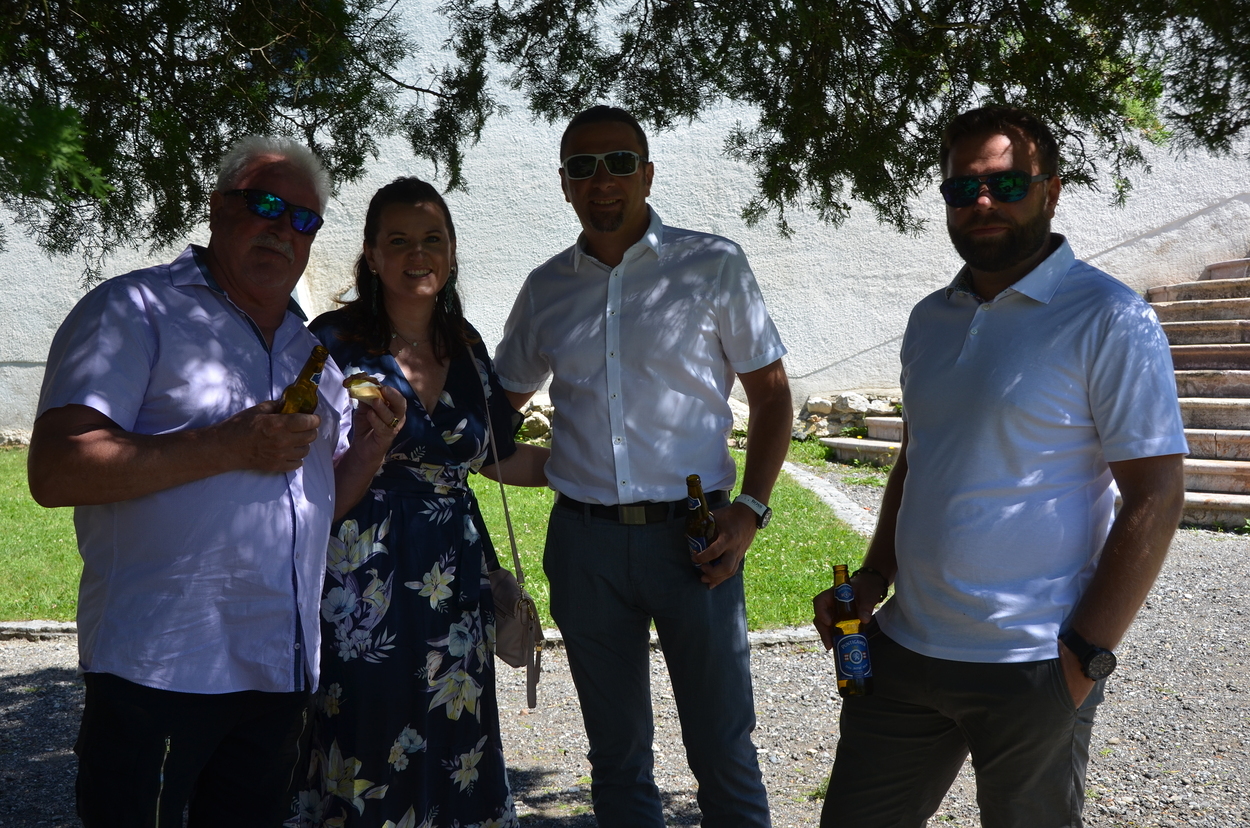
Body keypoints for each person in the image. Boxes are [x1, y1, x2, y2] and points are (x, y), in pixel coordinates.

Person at [812, 105, 1188, 827]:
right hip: (904, 649)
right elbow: (918, 459)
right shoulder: (930, 318)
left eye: (1007, 184)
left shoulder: (1109, 317)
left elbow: (1157, 494)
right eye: (962, 188)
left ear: (1051, 191)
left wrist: (1083, 658)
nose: (982, 201)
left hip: (1032, 664)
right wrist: (874, 577)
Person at [27, 135, 407, 827]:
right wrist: (225, 445)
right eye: (264, 205)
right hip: (159, 668)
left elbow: (315, 506)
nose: (283, 228)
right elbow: (56, 470)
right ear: (217, 207)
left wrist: (368, 452)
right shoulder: (134, 309)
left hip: (277, 671)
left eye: (303, 219)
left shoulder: (311, 355)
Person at [494, 105, 793, 827]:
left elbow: (773, 397)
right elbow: (492, 414)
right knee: (617, 757)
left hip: (697, 541)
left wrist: (750, 511)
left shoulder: (713, 264)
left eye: (620, 162)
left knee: (723, 748)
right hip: (585, 547)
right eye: (583, 166)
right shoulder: (546, 288)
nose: (602, 179)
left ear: (648, 174)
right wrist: (538, 463)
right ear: (564, 184)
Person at [288, 177, 549, 828]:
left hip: (454, 573)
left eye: (432, 239)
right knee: (363, 724)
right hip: (359, 571)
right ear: (372, 255)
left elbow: (494, 456)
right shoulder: (331, 341)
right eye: (399, 240)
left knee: (454, 727)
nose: (417, 254)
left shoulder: (465, 345)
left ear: (452, 252)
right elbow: (295, 464)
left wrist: (599, 472)